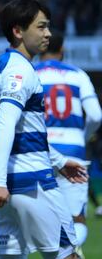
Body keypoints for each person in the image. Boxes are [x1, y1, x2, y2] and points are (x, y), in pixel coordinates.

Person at [0, 0, 87, 259]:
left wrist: (59, 160)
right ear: (18, 31)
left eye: (48, 26)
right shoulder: (21, 71)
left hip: (8, 183)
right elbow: (6, 122)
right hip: (34, 184)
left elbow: (24, 131)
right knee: (67, 255)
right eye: (41, 26)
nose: (48, 33)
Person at [35, 33, 102, 252]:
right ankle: (71, 250)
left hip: (40, 150)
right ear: (62, 49)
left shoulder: (31, 73)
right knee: (77, 218)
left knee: (42, 217)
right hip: (73, 149)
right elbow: (96, 116)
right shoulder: (78, 75)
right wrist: (81, 137)